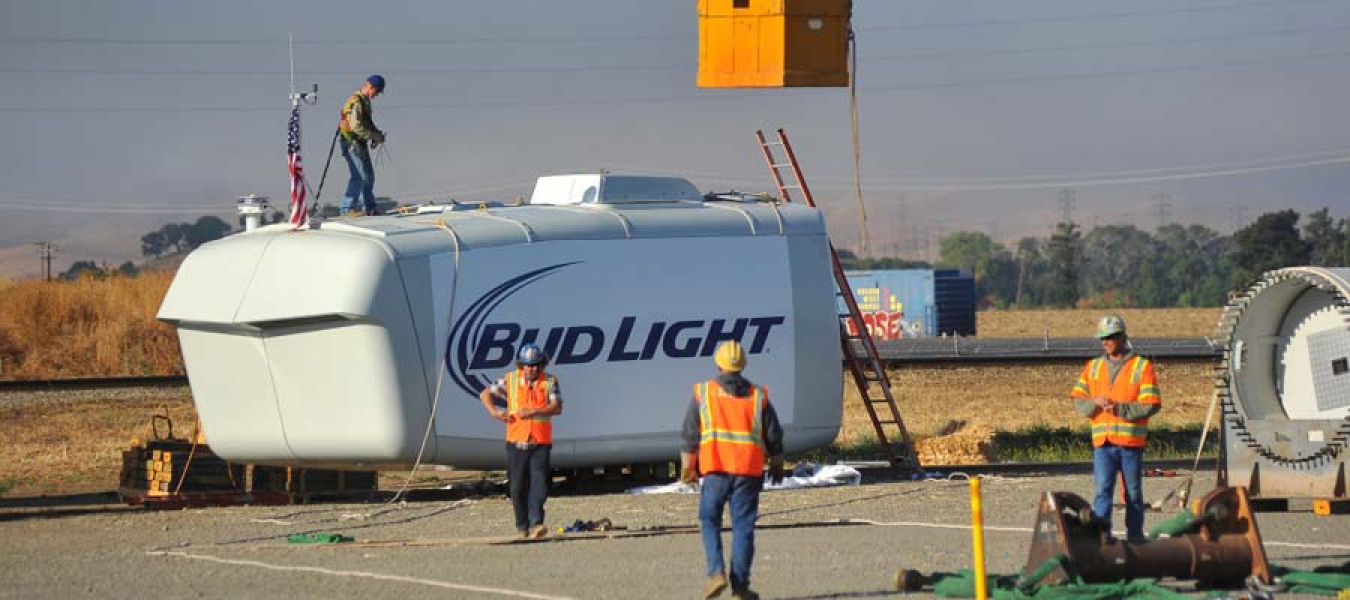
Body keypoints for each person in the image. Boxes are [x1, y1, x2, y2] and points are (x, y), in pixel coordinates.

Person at [681, 340, 785, 600]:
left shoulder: (703, 393)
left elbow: (689, 435)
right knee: (743, 527)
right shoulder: (758, 396)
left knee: (709, 521)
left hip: (715, 471)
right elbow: (774, 436)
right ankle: (740, 588)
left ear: (719, 364)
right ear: (743, 365)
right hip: (748, 471)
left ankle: (716, 573)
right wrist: (777, 464)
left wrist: (687, 468)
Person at [1070, 314, 1162, 544]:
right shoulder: (1093, 367)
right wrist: (1094, 403)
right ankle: (1102, 539)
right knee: (1102, 493)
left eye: (1110, 337)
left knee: (1132, 495)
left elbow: (1151, 404)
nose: (1106, 342)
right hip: (1103, 444)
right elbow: (1078, 399)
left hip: (1130, 444)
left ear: (1123, 337)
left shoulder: (1142, 366)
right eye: (1103, 338)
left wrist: (1120, 409)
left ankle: (1135, 538)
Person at [479, 343, 562, 539]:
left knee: (539, 485)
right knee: (517, 487)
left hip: (540, 441)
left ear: (541, 364)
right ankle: (522, 526)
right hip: (516, 441)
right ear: (521, 365)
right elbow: (485, 394)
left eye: (535, 365)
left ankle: (537, 523)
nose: (532, 368)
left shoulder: (550, 381)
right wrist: (495, 412)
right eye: (528, 365)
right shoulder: (511, 380)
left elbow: (557, 407)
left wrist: (534, 411)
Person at [337, 75, 387, 216]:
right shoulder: (356, 102)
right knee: (359, 176)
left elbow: (367, 123)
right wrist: (374, 136)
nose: (376, 95)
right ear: (370, 87)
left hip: (359, 143)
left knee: (368, 176)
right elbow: (356, 127)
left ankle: (370, 207)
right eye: (376, 92)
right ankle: (347, 209)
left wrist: (376, 133)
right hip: (351, 142)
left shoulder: (364, 101)